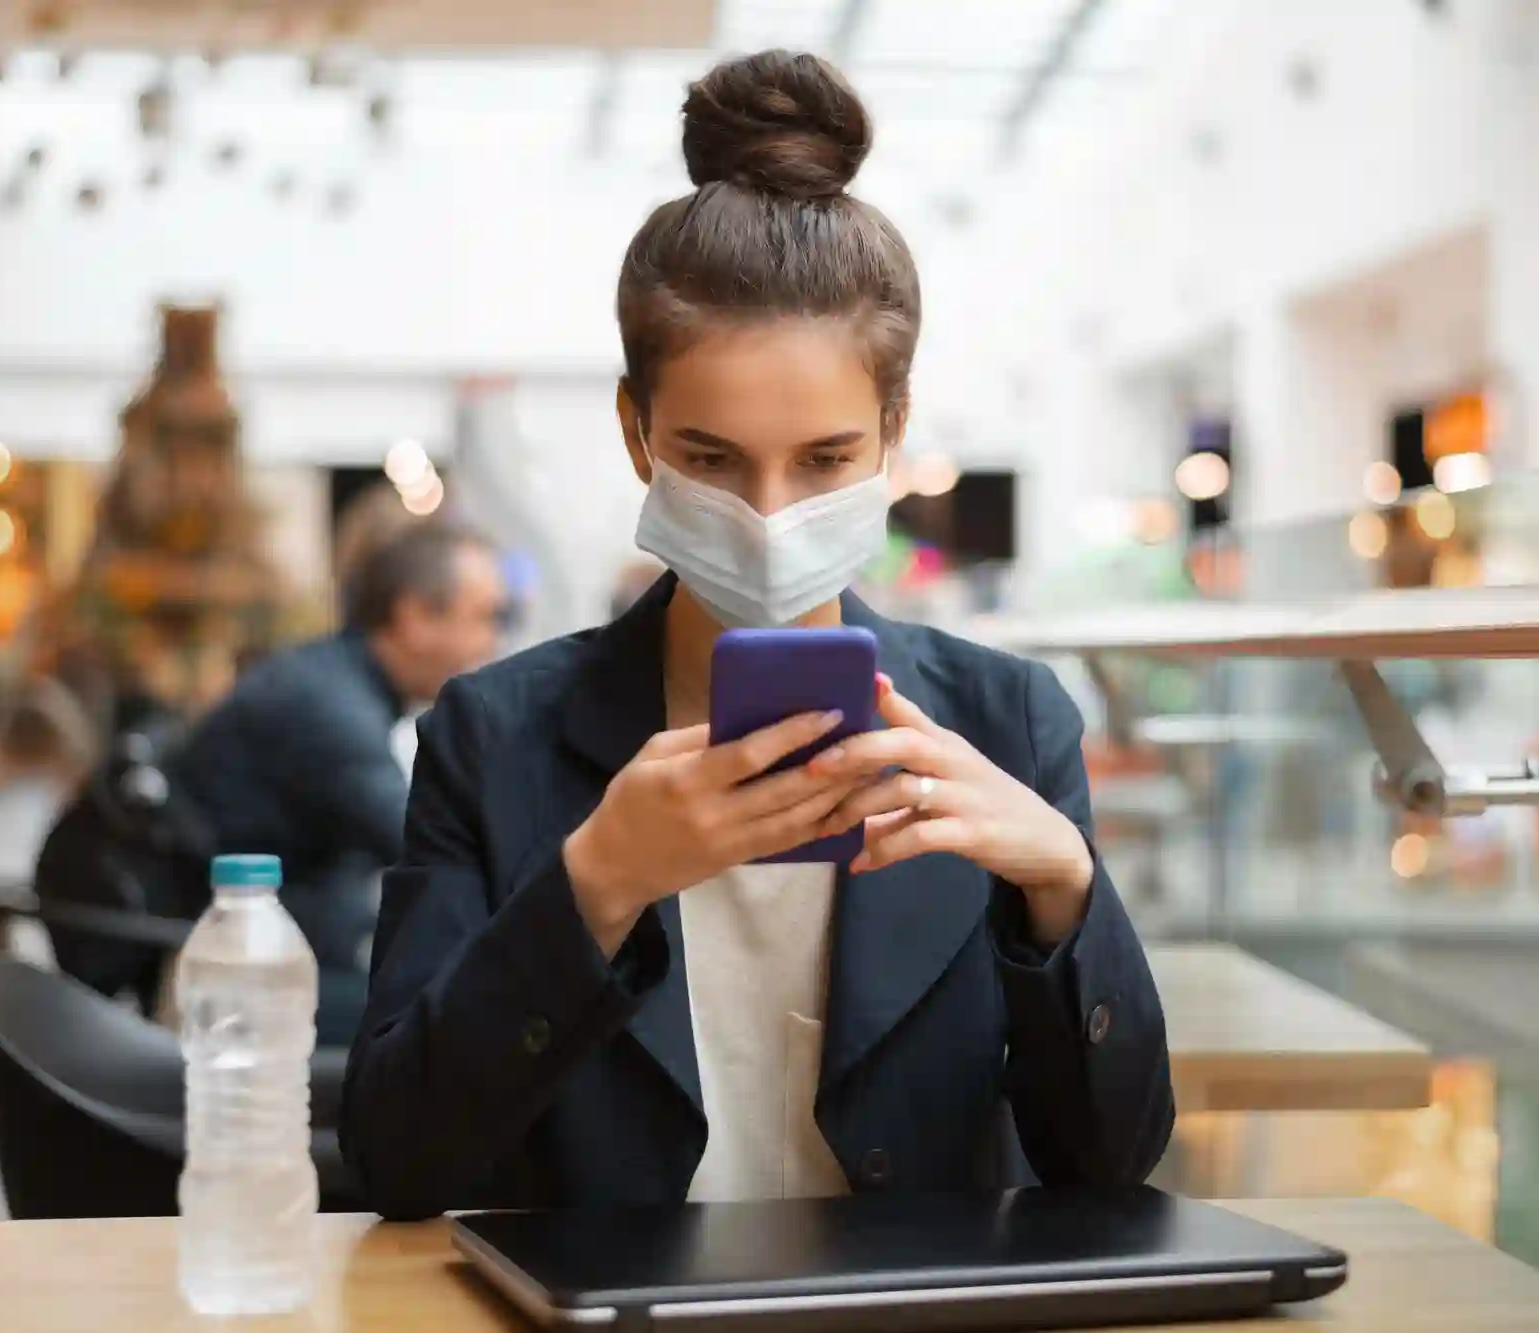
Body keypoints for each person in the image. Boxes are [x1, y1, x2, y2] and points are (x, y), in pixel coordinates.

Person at [343, 50, 1172, 1218]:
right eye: (710, 458)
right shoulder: (497, 737)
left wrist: (1062, 893)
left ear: (892, 430)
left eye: (826, 459)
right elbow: (394, 1158)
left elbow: (1110, 1167)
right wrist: (594, 883)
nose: (772, 516)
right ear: (638, 435)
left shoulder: (1001, 723)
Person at [169, 519, 506, 1042]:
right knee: (482, 1018)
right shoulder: (328, 710)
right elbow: (438, 844)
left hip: (275, 961)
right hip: (245, 993)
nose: (492, 643)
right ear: (415, 617)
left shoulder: (329, 680)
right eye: (485, 618)